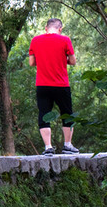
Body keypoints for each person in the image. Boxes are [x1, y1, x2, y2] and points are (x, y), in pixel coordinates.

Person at [28, 18, 79, 156]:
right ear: (60, 29)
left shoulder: (35, 40)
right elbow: (73, 61)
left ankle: (48, 147)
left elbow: (32, 63)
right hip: (61, 84)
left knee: (44, 114)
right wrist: (62, 59)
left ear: (46, 28)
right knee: (67, 114)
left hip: (42, 84)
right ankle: (67, 145)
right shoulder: (65, 40)